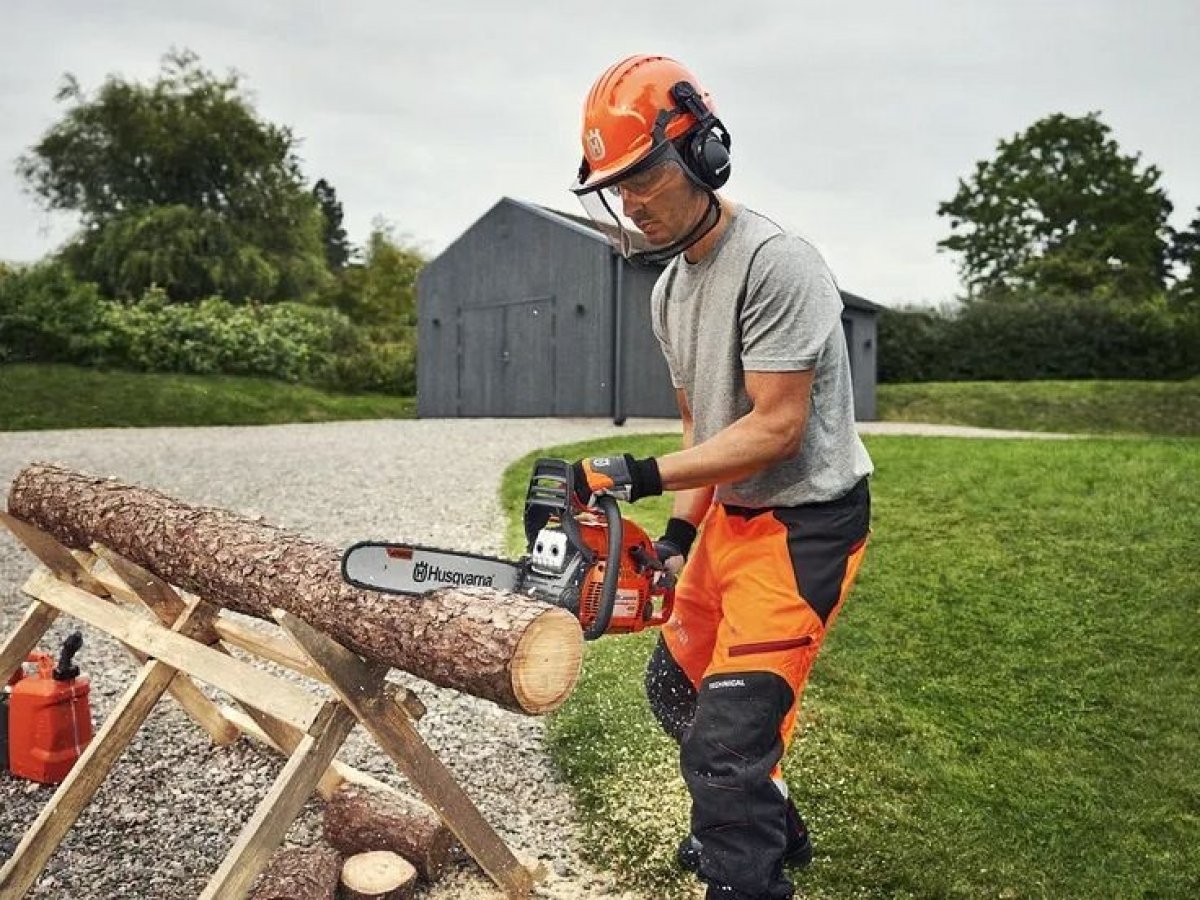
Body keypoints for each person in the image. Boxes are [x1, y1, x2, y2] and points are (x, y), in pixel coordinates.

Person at [567, 55, 875, 900]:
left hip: (804, 527)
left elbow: (773, 428)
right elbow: (708, 428)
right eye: (617, 186)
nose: (633, 200)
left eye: (645, 176)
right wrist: (674, 534)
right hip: (730, 523)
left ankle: (746, 866)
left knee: (726, 748)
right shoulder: (669, 291)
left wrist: (638, 474)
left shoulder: (780, 264)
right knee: (674, 687)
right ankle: (772, 826)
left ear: (703, 152)